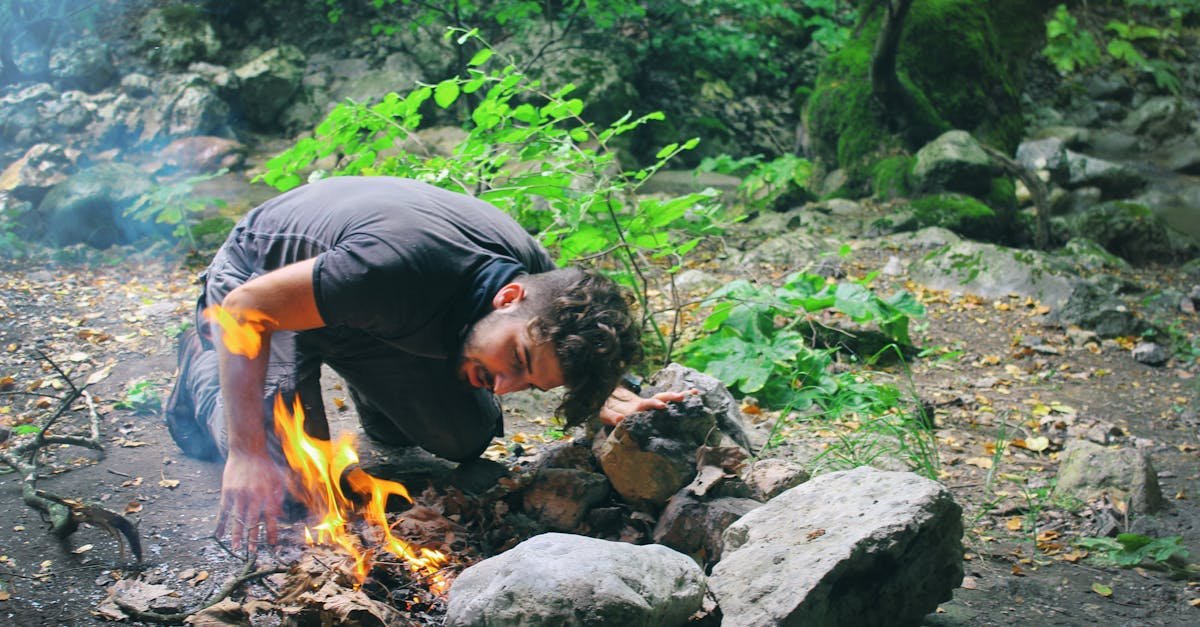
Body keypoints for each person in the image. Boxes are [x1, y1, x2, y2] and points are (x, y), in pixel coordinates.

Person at [165, 176, 683, 550]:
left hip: (361, 312)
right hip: (262, 289)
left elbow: (574, 338)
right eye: (518, 360)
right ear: (507, 297)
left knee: (463, 436)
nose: (503, 387)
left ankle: (370, 384)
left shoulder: (543, 297)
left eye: (530, 383)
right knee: (292, 483)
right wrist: (247, 451)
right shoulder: (392, 267)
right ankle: (202, 366)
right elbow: (246, 311)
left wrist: (610, 391)